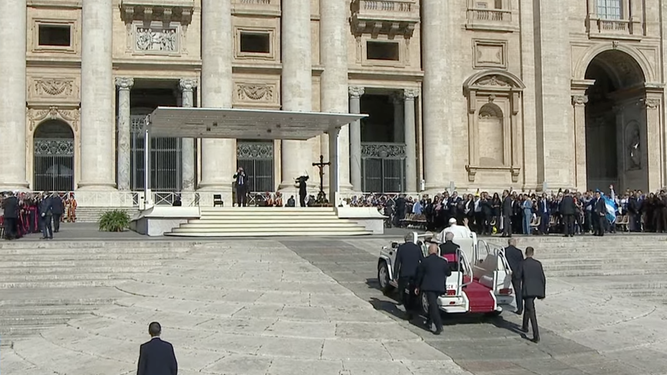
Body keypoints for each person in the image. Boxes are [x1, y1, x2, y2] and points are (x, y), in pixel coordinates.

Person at [415, 243, 451, 335]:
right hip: (439, 287)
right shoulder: (443, 262)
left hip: (429, 286)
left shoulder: (425, 261)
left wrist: (417, 286)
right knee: (432, 304)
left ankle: (439, 325)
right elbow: (448, 273)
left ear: (429, 251)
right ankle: (429, 321)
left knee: (433, 305)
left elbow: (420, 275)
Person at [517, 246, 546, 343]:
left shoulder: (523, 264)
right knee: (528, 308)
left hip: (527, 290)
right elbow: (542, 278)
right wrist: (542, 293)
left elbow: (517, 276)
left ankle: (536, 335)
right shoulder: (538, 264)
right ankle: (525, 326)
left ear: (525, 253)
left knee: (531, 311)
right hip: (535, 290)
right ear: (533, 253)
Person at [393, 233, 424, 320]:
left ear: (405, 239)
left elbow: (397, 262)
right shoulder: (417, 248)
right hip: (414, 274)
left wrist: (395, 275)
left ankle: (408, 310)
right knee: (412, 293)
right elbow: (422, 260)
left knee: (402, 292)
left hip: (404, 273)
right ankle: (411, 309)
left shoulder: (401, 248)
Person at [504, 238, 524, 314]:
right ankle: (520, 308)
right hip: (517, 273)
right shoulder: (519, 252)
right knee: (518, 291)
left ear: (508, 243)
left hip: (507, 272)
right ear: (514, 243)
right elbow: (522, 263)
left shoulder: (504, 250)